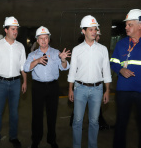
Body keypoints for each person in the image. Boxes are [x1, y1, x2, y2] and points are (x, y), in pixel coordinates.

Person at [68, 15, 112, 148]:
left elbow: (106, 71)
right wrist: (70, 89)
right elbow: (72, 72)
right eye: (91, 29)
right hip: (79, 89)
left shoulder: (103, 49)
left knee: (94, 121)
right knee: (77, 121)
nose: (94, 32)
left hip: (97, 90)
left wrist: (107, 90)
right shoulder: (77, 50)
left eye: (95, 29)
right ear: (83, 31)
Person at [24, 26, 70, 148]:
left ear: (49, 39)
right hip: (38, 87)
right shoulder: (33, 54)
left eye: (46, 38)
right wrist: (37, 60)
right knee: (37, 114)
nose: (43, 40)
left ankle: (52, 140)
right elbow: (25, 68)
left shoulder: (56, 53)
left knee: (52, 114)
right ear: (37, 41)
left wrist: (64, 60)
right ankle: (36, 139)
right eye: (41, 38)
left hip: (53, 87)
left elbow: (64, 67)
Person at [0, 16, 27, 148]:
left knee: (14, 112)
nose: (15, 32)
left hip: (15, 83)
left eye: (16, 29)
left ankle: (13, 137)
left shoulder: (20, 47)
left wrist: (25, 81)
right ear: (6, 30)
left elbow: (23, 66)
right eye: (13, 29)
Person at [110, 9, 141, 148]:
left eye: (130, 25)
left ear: (139, 26)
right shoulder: (121, 44)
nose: (126, 27)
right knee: (121, 123)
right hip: (123, 91)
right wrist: (120, 69)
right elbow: (113, 62)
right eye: (126, 24)